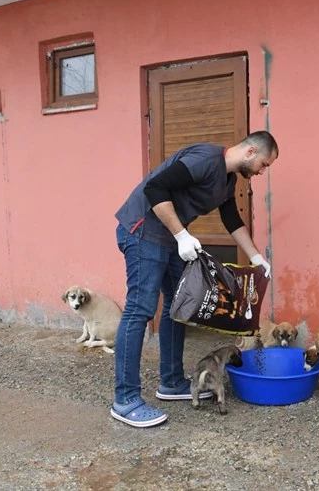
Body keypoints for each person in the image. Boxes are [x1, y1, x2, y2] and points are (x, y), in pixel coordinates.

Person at [109, 130, 278, 428]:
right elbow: (155, 188)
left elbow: (232, 220)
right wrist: (182, 235)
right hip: (143, 231)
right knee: (140, 310)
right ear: (250, 152)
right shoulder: (204, 159)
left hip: (170, 238)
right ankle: (125, 400)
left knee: (181, 305)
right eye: (264, 164)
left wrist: (255, 257)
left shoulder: (227, 180)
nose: (262, 172)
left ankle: (171, 382)